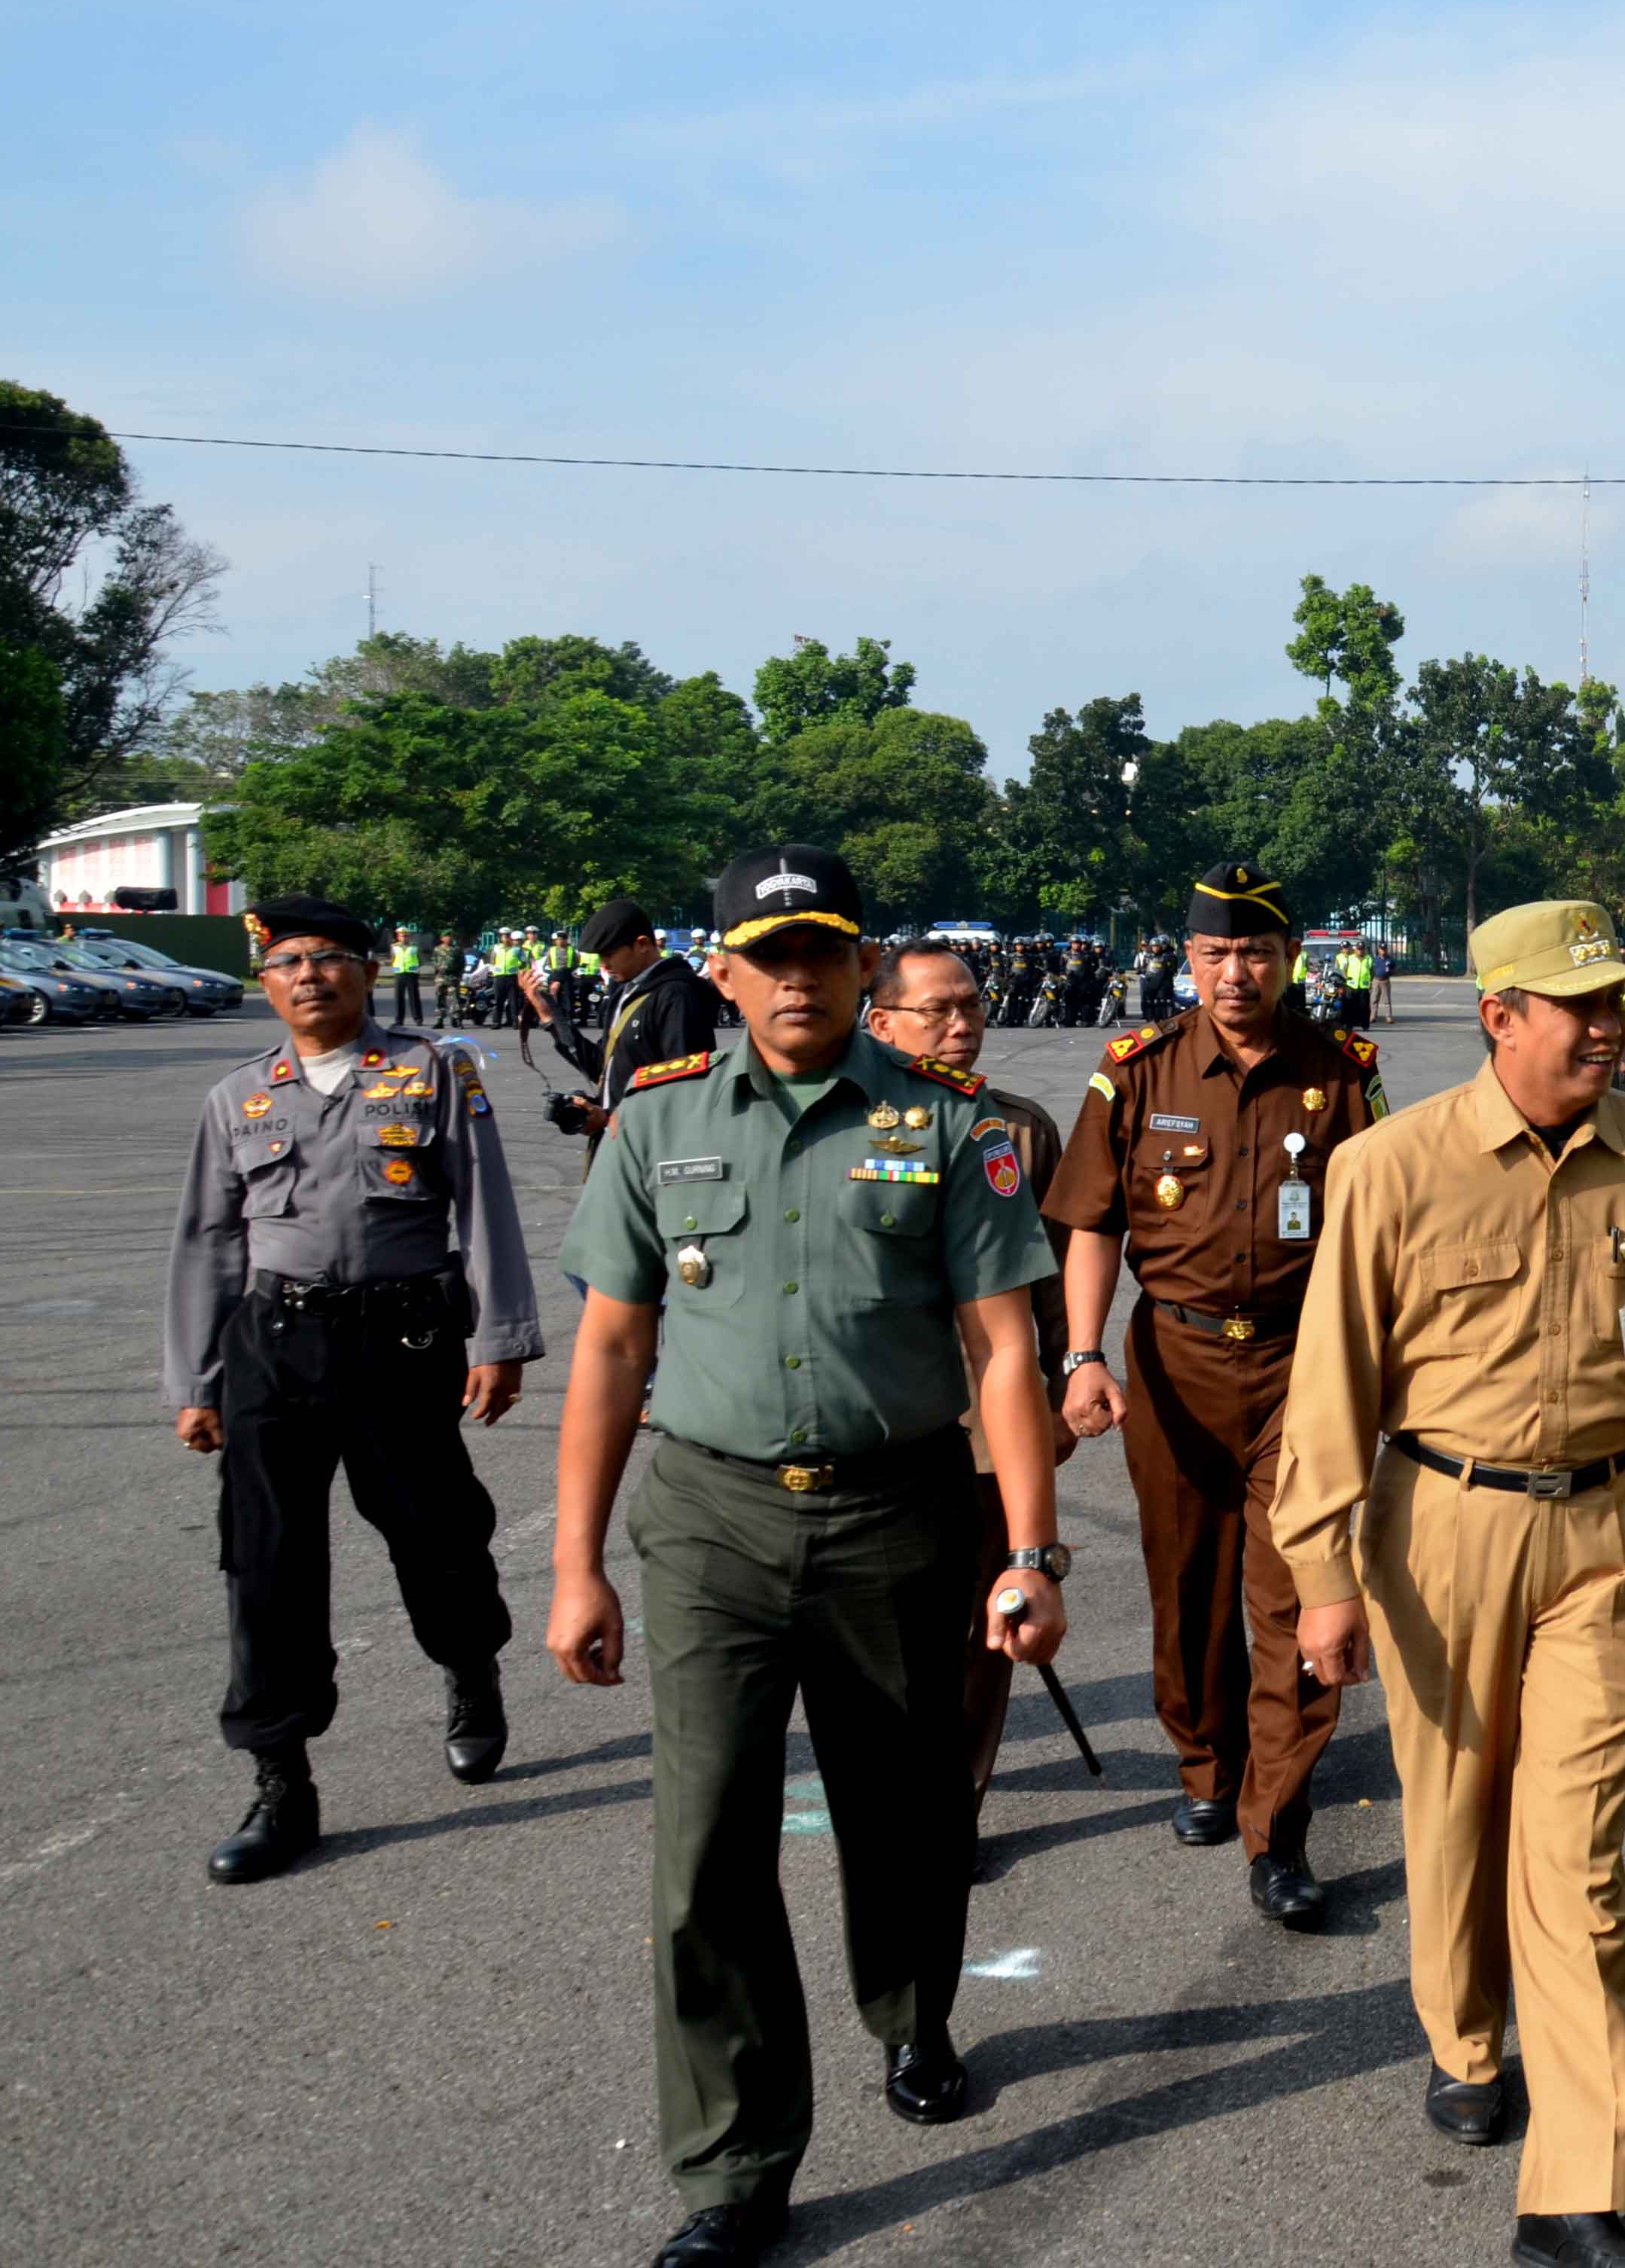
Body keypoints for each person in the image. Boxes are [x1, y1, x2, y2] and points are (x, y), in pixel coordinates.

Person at [544, 846, 1069, 2268]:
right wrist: (573, 1562)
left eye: (822, 951)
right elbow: (607, 1346)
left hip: (898, 1516)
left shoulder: (951, 1127)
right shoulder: (655, 1127)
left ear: (858, 965)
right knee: (706, 1842)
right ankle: (735, 2158)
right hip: (710, 1520)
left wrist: (1031, 1548)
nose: (794, 976)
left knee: (901, 1819)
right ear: (720, 970)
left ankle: (912, 2015)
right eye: (765, 953)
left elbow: (1004, 1349)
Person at [1277, 899, 1625, 2268]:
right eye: (1577, 1003)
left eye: (1615, 1002)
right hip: (1438, 1529)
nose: (1607, 1025)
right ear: (1499, 1016)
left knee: (1576, 1854)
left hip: (1607, 1532)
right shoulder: (1392, 1164)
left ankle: (1576, 2190)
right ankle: (1465, 2036)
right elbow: (1330, 1384)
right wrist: (1322, 1570)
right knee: (1454, 1811)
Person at [163, 894, 542, 1883]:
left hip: (401, 1343)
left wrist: (500, 1340)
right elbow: (208, 1240)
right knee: (266, 1562)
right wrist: (196, 1378)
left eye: (331, 959)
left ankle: (471, 1675)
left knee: (437, 1532)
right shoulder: (236, 1096)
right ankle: (282, 1784)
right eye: (288, 961)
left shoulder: (429, 1071)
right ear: (267, 982)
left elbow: (484, 1202)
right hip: (273, 1346)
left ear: (369, 972)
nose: (310, 975)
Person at [1050, 863, 1380, 1918]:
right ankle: (1205, 1762)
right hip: (1174, 1362)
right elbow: (1094, 1222)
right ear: (1187, 959)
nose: (1236, 973)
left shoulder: (1339, 1071)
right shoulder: (1136, 1072)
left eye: (1256, 953)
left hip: (1302, 1368)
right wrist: (1082, 1354)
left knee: (1298, 1593)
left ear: (1289, 959)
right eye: (1216, 954)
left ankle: (1277, 1827)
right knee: (1189, 1586)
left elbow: (1379, 1230)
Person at [859, 939, 1075, 1838]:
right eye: (937, 1011)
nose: (961, 1026)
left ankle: (956, 1807)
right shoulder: (844, 1121)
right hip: (875, 1424)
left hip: (989, 1425)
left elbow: (1053, 1288)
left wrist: (1063, 1388)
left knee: (985, 1626)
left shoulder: (1019, 1129)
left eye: (972, 1008)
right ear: (879, 1023)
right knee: (883, 1634)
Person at [525, 898, 725, 1165]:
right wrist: (551, 1018)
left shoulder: (676, 994)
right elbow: (602, 1066)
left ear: (642, 944)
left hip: (655, 1155)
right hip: (620, 1148)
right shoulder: (626, 992)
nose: (604, 966)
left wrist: (610, 1118)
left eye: (609, 955)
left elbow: (685, 1091)